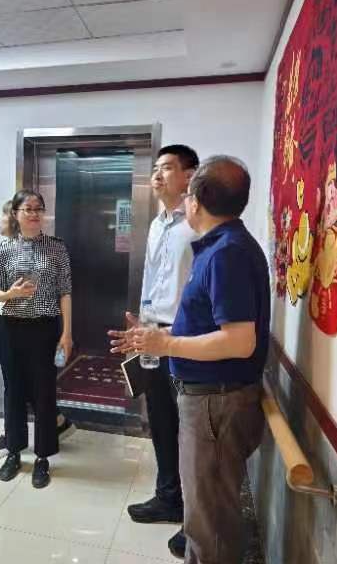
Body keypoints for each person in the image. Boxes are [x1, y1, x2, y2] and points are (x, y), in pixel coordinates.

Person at [110, 156, 269, 564]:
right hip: (212, 397)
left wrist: (167, 345)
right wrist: (154, 336)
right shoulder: (220, 246)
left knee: (210, 520)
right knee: (205, 512)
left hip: (216, 401)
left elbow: (239, 341)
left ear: (196, 200)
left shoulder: (227, 253)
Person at [123, 145, 199, 542]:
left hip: (183, 339)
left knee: (191, 432)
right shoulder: (157, 224)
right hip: (152, 335)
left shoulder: (199, 223)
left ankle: (196, 518)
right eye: (155, 168)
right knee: (162, 422)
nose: (157, 175)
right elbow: (152, 278)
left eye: (167, 168)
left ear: (189, 175)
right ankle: (168, 497)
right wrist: (141, 324)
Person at [0, 189, 72, 489]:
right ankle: (14, 452)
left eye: (39, 209)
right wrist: (11, 294)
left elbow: (65, 292)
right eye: (28, 209)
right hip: (11, 328)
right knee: (13, 390)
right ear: (16, 214)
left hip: (45, 329)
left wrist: (67, 332)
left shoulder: (57, 248)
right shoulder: (5, 248)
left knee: (44, 393)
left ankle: (43, 457)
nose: (35, 214)